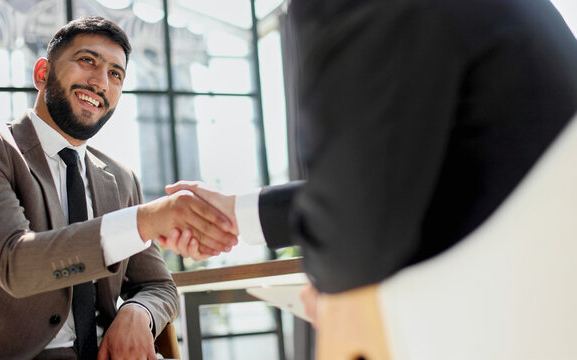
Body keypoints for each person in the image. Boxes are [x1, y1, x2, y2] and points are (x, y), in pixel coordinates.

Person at [160, 0, 577, 322]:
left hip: (499, 313)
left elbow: (358, 244)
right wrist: (237, 213)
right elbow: (437, 171)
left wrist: (330, 280)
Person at [0, 16, 237, 359]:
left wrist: (137, 312)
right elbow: (15, 264)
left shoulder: (120, 178)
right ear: (42, 73)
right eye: (87, 61)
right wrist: (148, 220)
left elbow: (159, 286)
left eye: (116, 74)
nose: (100, 81)